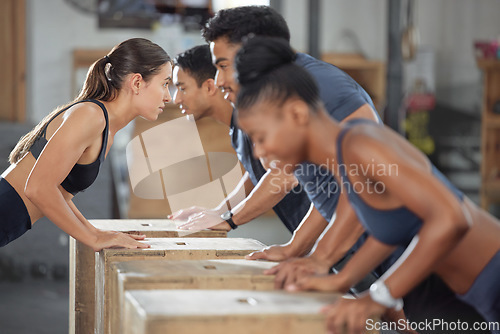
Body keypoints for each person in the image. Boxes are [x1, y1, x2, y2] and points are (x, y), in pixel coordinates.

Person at [235, 36, 500, 334]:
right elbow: (392, 229)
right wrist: (340, 280)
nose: (257, 152)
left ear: (297, 114)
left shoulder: (361, 145)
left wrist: (379, 296)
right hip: (476, 296)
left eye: (259, 137)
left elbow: (452, 218)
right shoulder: (346, 156)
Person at [171, 5, 382, 293]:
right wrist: (297, 247)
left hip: (393, 247)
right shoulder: (280, 95)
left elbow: (365, 185)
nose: (219, 81)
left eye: (222, 66)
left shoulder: (321, 88)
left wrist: (231, 220)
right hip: (364, 247)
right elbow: (332, 190)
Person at [1, 38, 172, 251]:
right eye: (165, 84)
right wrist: (93, 240)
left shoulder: (106, 126)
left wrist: (94, 232)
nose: (168, 96)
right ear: (137, 83)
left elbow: (59, 193)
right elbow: (37, 188)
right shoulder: (91, 116)